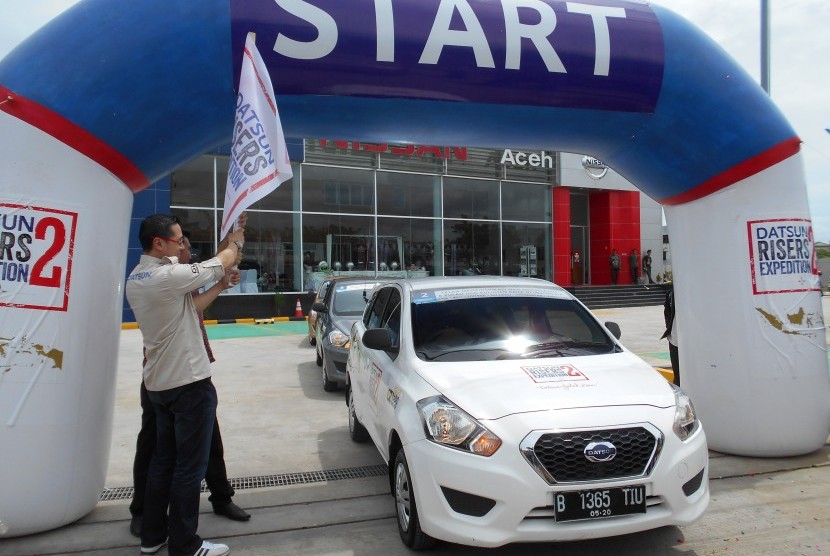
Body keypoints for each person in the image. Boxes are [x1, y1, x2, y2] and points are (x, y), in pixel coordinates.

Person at [125, 214, 245, 556]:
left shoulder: (139, 277)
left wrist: (220, 286)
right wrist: (235, 240)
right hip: (188, 385)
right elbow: (219, 261)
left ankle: (152, 536)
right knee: (188, 469)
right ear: (158, 243)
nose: (183, 246)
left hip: (161, 386)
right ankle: (185, 544)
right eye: (178, 241)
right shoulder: (166, 276)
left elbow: (191, 308)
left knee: (163, 461)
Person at [660, 283, 680, 386]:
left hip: (690, 342)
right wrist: (670, 329)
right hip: (674, 339)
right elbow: (667, 311)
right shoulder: (671, 292)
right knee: (678, 378)